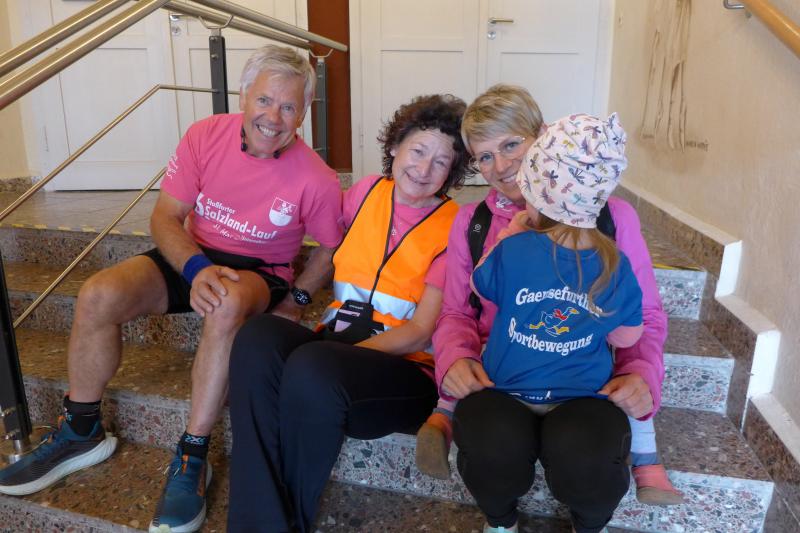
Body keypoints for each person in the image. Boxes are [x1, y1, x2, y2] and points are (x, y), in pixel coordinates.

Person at [0, 45, 344, 533]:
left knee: (225, 304)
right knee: (98, 293)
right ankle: (81, 429)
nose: (274, 118)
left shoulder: (317, 178)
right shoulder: (205, 135)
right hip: (191, 255)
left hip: (257, 270)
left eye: (289, 107)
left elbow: (330, 249)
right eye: (265, 100)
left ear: (304, 112)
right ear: (244, 96)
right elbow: (165, 217)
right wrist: (197, 267)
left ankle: (192, 454)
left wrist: (296, 301)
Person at [414, 86, 682, 515]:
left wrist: (640, 374)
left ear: (542, 137)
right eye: (485, 156)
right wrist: (456, 359)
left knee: (586, 458)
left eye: (511, 145)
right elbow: (456, 310)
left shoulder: (612, 218)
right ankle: (500, 519)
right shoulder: (474, 223)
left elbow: (642, 314)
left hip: (583, 380)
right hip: (499, 377)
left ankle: (590, 518)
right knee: (489, 447)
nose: (501, 167)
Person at [226, 93, 471, 533]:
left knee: (313, 364)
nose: (424, 168)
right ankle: (258, 522)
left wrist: (338, 356)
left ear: (452, 172)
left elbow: (420, 332)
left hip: (404, 374)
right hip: (329, 356)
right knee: (258, 337)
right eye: (418, 151)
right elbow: (312, 222)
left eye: (441, 162)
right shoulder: (364, 193)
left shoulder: (455, 226)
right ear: (395, 146)